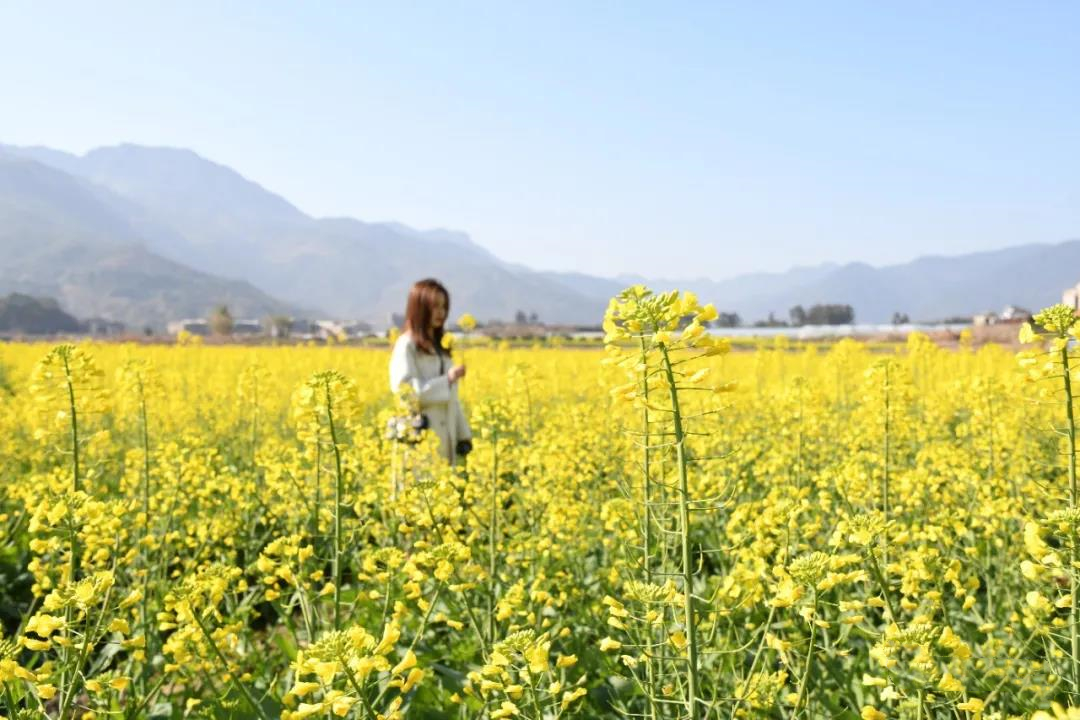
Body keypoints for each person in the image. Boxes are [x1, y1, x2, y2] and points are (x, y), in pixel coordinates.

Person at [389, 278, 472, 464]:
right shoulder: (407, 345)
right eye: (435, 306)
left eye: (444, 307)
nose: (441, 313)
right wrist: (447, 380)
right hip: (419, 439)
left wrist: (463, 435)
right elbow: (405, 391)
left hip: (445, 438)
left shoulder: (442, 348)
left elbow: (452, 400)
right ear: (419, 307)